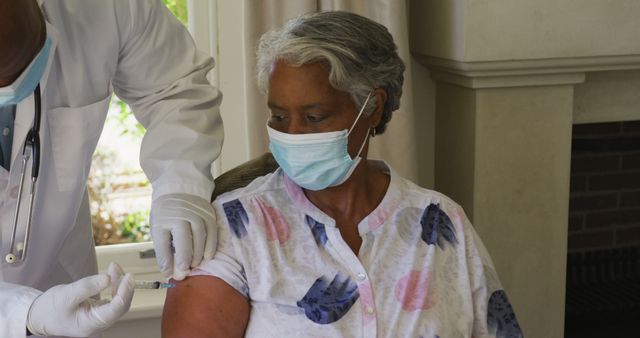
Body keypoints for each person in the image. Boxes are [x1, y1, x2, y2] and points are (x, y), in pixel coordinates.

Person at [162, 10, 523, 338]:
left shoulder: (443, 222)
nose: (293, 134)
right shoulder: (233, 230)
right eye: (279, 117)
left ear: (373, 106)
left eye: (314, 117)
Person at [0, 0, 223, 337]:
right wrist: (25, 313)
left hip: (60, 286)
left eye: (19, 70)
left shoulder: (106, 7)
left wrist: (181, 186)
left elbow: (173, 91)